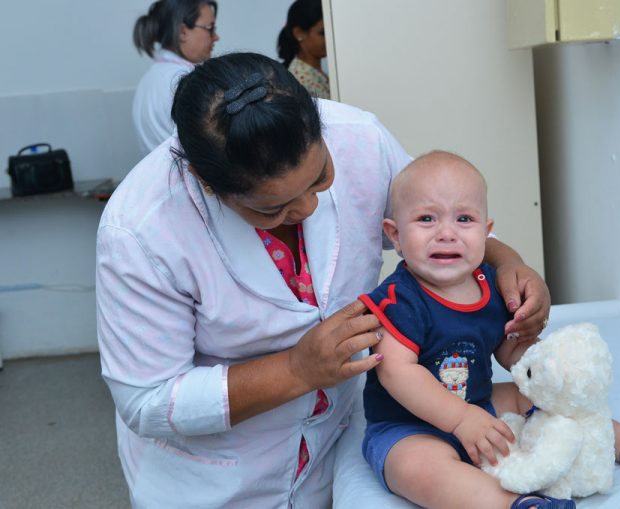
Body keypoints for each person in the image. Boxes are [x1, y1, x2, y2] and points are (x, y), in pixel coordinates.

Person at [96, 53, 550, 508]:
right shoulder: (140, 227)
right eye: (271, 209)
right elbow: (148, 400)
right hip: (217, 480)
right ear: (207, 184)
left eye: (320, 178)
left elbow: (438, 213)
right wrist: (295, 370)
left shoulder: (360, 140)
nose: (307, 208)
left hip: (335, 445)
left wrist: (508, 260)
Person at [359, 151, 620, 509]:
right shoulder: (397, 299)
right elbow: (396, 372)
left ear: (486, 231)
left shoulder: (491, 284)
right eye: (426, 219)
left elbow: (509, 349)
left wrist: (544, 366)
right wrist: (460, 418)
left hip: (479, 404)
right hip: (407, 426)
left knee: (535, 394)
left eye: (464, 219)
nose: (446, 233)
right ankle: (511, 503)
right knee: (422, 470)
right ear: (395, 235)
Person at [132, 0, 220, 155]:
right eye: (210, 28)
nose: (216, 37)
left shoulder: (149, 79)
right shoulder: (183, 80)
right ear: (182, 32)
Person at [277, 0, 330, 99]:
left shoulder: (313, 73)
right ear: (299, 33)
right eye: (322, 33)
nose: (329, 38)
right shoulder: (302, 80)